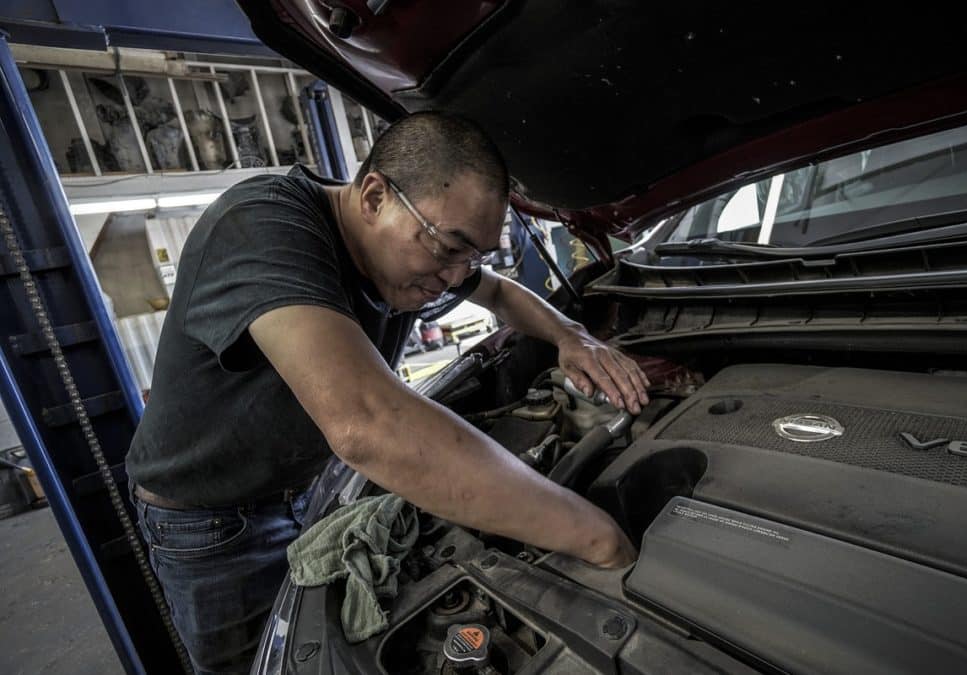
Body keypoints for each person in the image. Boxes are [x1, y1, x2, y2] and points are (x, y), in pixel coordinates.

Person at [125, 112, 647, 673]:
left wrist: (571, 338)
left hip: (311, 489)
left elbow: (497, 291)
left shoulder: (415, 239)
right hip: (213, 524)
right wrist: (595, 537)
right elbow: (367, 424)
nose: (454, 276)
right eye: (449, 249)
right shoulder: (261, 226)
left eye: (471, 256)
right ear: (374, 197)